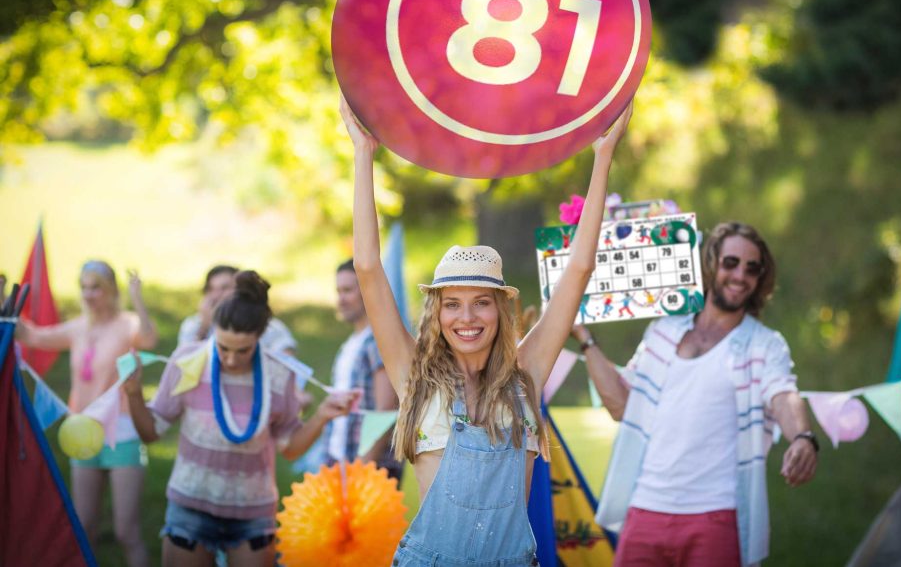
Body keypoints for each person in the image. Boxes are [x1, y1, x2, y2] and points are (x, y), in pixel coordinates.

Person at [340, 92, 631, 567]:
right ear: (437, 314)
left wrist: (603, 154)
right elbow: (368, 267)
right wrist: (362, 154)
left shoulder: (527, 375)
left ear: (501, 311)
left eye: (481, 304)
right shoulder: (413, 376)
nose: (467, 318)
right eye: (452, 305)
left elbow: (579, 269)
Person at [574, 222, 818, 567]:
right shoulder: (664, 329)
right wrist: (584, 337)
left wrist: (803, 438)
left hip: (715, 516)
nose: (740, 275)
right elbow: (622, 406)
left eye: (752, 268)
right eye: (730, 262)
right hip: (645, 508)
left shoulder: (765, 344)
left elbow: (783, 394)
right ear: (710, 264)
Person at [124, 270, 356, 567]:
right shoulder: (188, 362)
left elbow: (290, 447)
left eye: (243, 350)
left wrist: (322, 416)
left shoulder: (277, 373)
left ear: (260, 337)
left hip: (252, 515)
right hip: (191, 508)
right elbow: (152, 431)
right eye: (223, 348)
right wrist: (133, 395)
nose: (231, 359)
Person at [17, 261, 157, 567]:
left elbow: (148, 339)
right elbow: (33, 337)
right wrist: (7, 309)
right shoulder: (79, 327)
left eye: (96, 287)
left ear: (110, 291)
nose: (89, 294)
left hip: (122, 433)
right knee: (83, 528)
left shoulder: (127, 323)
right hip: (81, 433)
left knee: (126, 532)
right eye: (84, 287)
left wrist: (138, 298)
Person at [327, 259, 401, 478]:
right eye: (338, 291)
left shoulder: (378, 342)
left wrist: (361, 471)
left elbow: (385, 413)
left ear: (367, 291)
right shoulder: (352, 343)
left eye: (348, 290)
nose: (341, 299)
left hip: (370, 470)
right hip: (340, 460)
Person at [178, 265, 298, 355]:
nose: (216, 296)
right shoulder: (193, 325)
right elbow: (182, 368)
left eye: (224, 288)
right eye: (211, 289)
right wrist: (203, 328)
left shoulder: (272, 327)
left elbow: (289, 371)